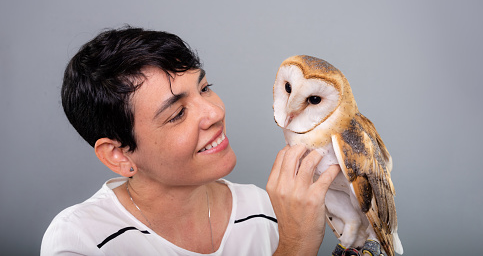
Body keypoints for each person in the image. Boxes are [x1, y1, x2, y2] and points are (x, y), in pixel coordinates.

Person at [41, 26, 340, 256]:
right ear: (118, 155)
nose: (214, 112)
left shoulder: (268, 208)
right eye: (177, 113)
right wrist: (295, 245)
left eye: (205, 88)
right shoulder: (81, 240)